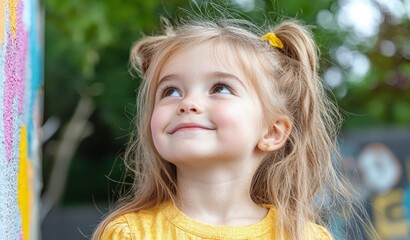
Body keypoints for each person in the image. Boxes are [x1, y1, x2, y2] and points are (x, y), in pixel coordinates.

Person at [92, 15, 352, 240]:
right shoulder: (128, 234)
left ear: (272, 132)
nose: (187, 103)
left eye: (220, 88)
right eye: (170, 91)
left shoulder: (304, 236)